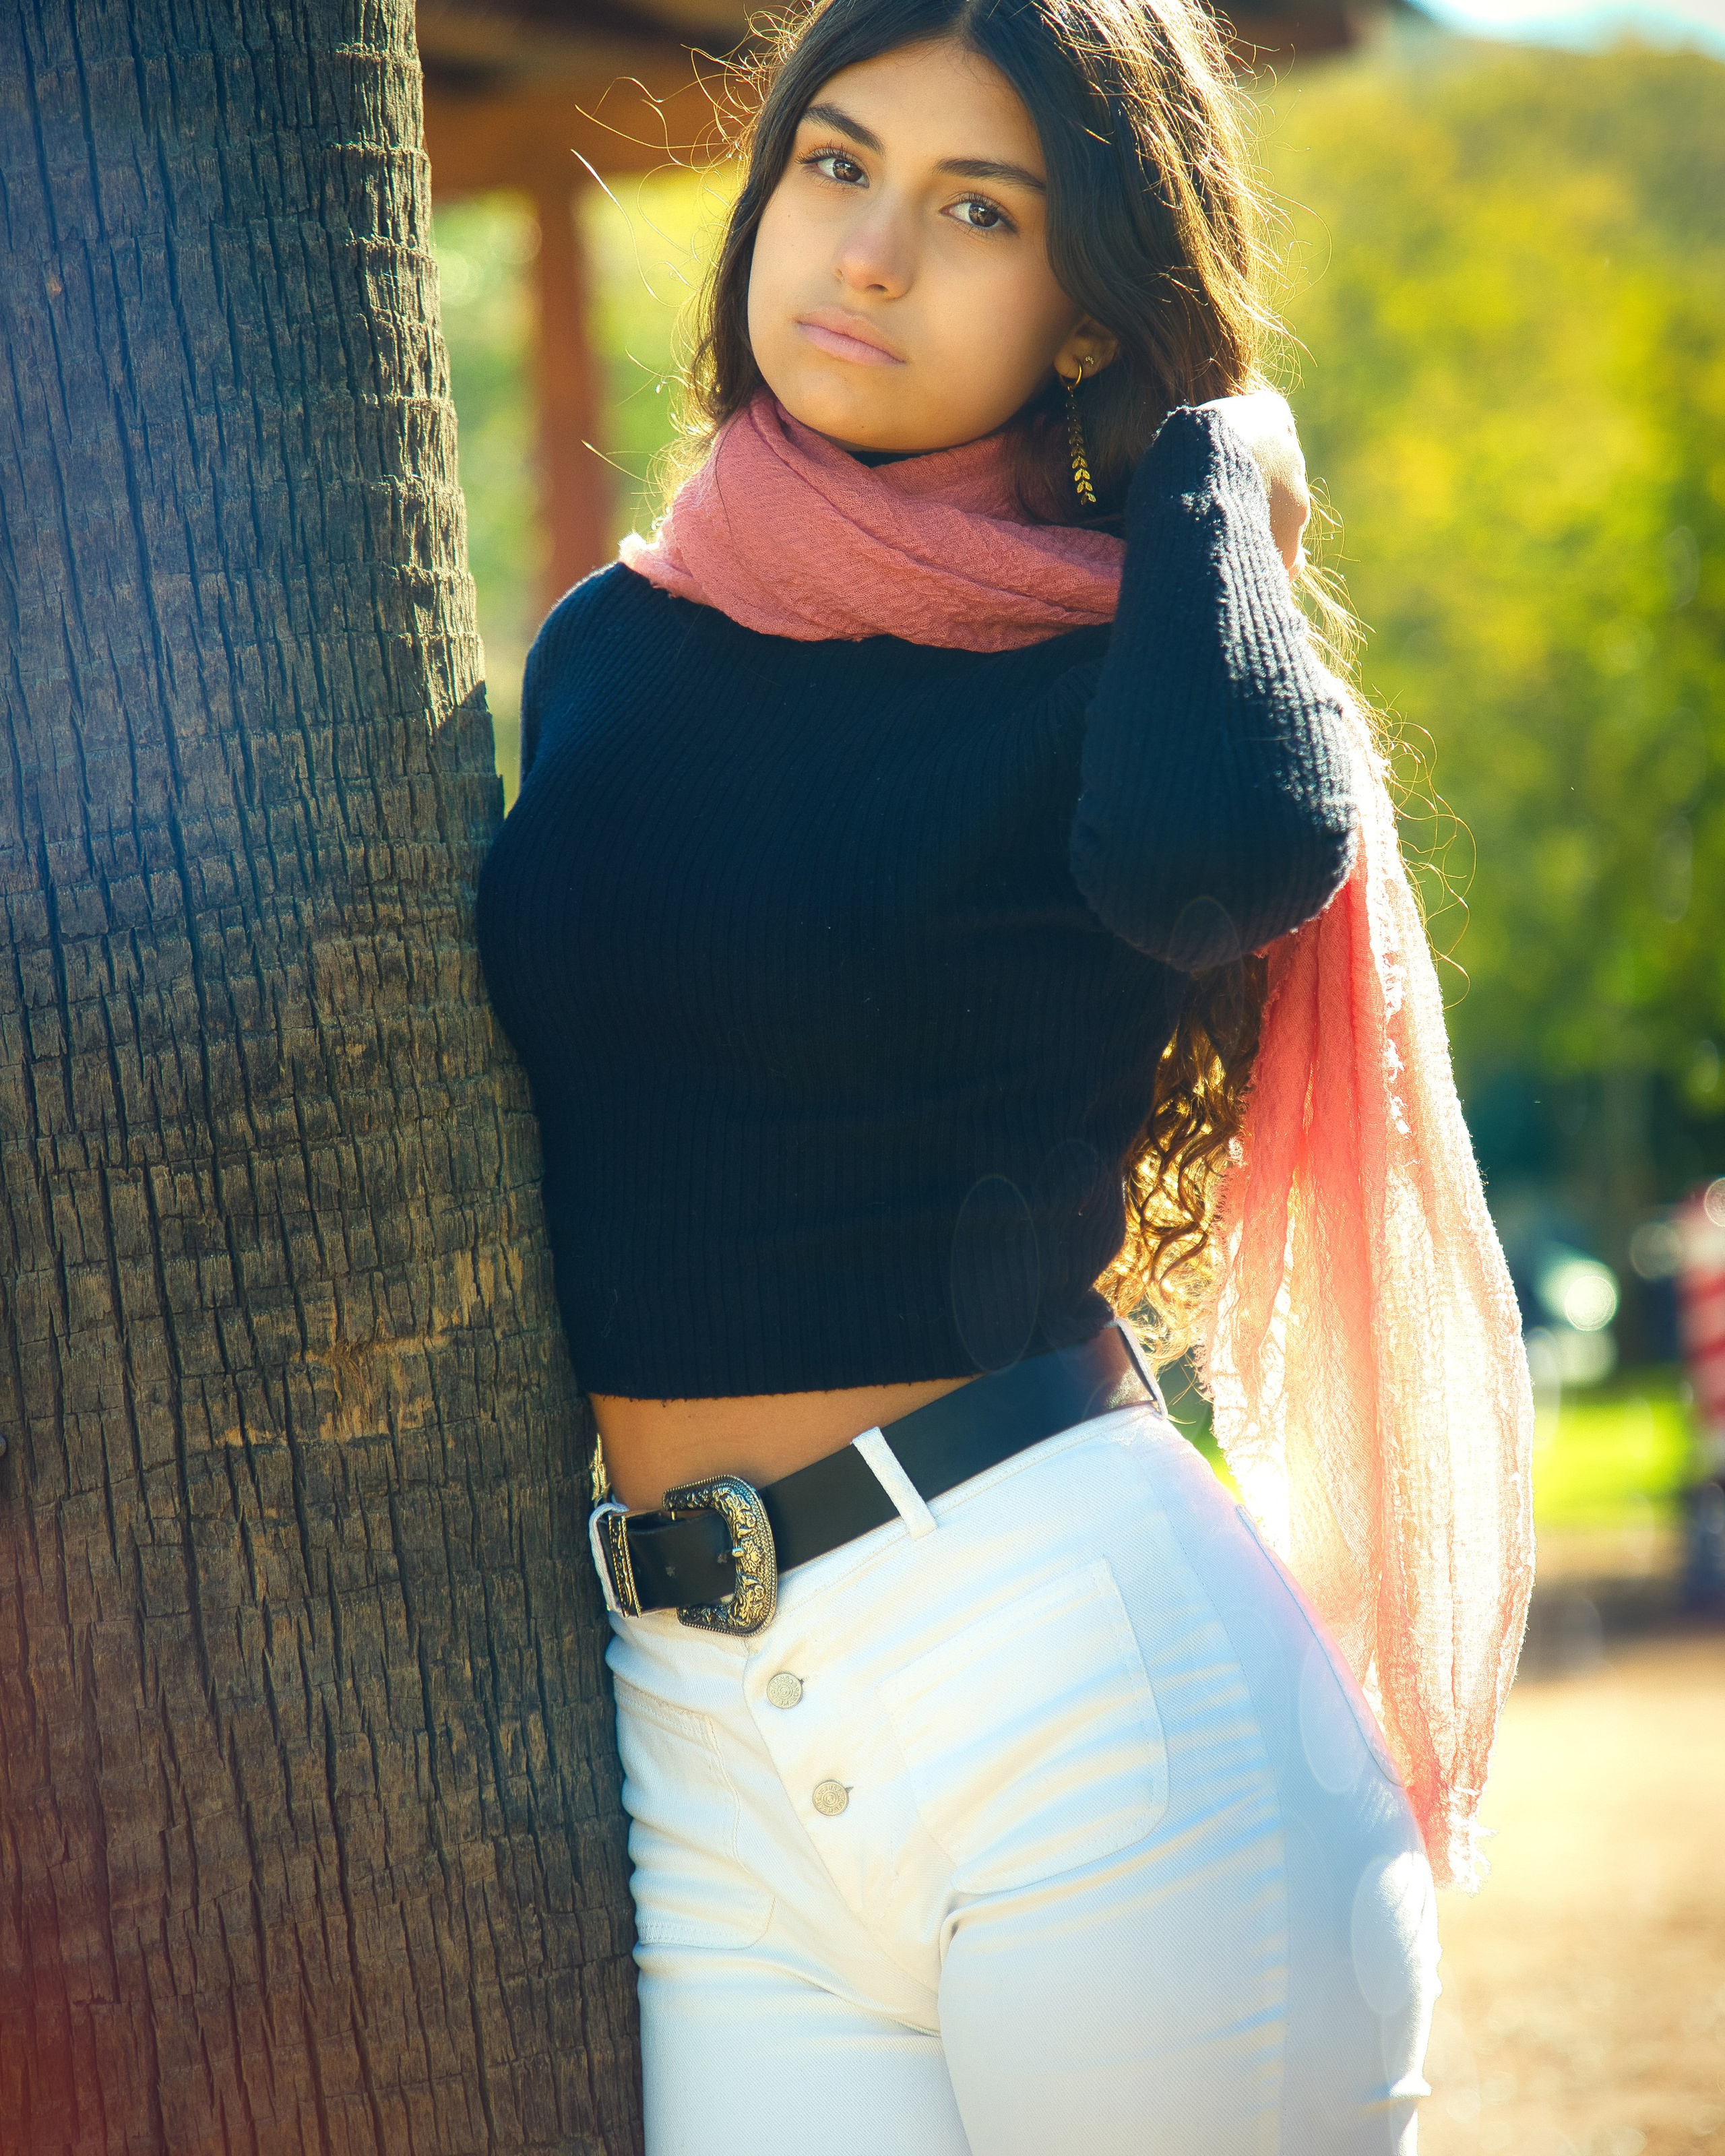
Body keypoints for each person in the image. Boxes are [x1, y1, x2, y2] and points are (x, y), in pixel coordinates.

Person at [475, 1, 1535, 2147]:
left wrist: (1219, 463)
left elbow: (1223, 858)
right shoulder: (612, 644)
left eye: (980, 212)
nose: (866, 254)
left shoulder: (1130, 673)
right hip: (697, 1729)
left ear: (1083, 315)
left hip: (1076, 1704)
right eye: (835, 166)